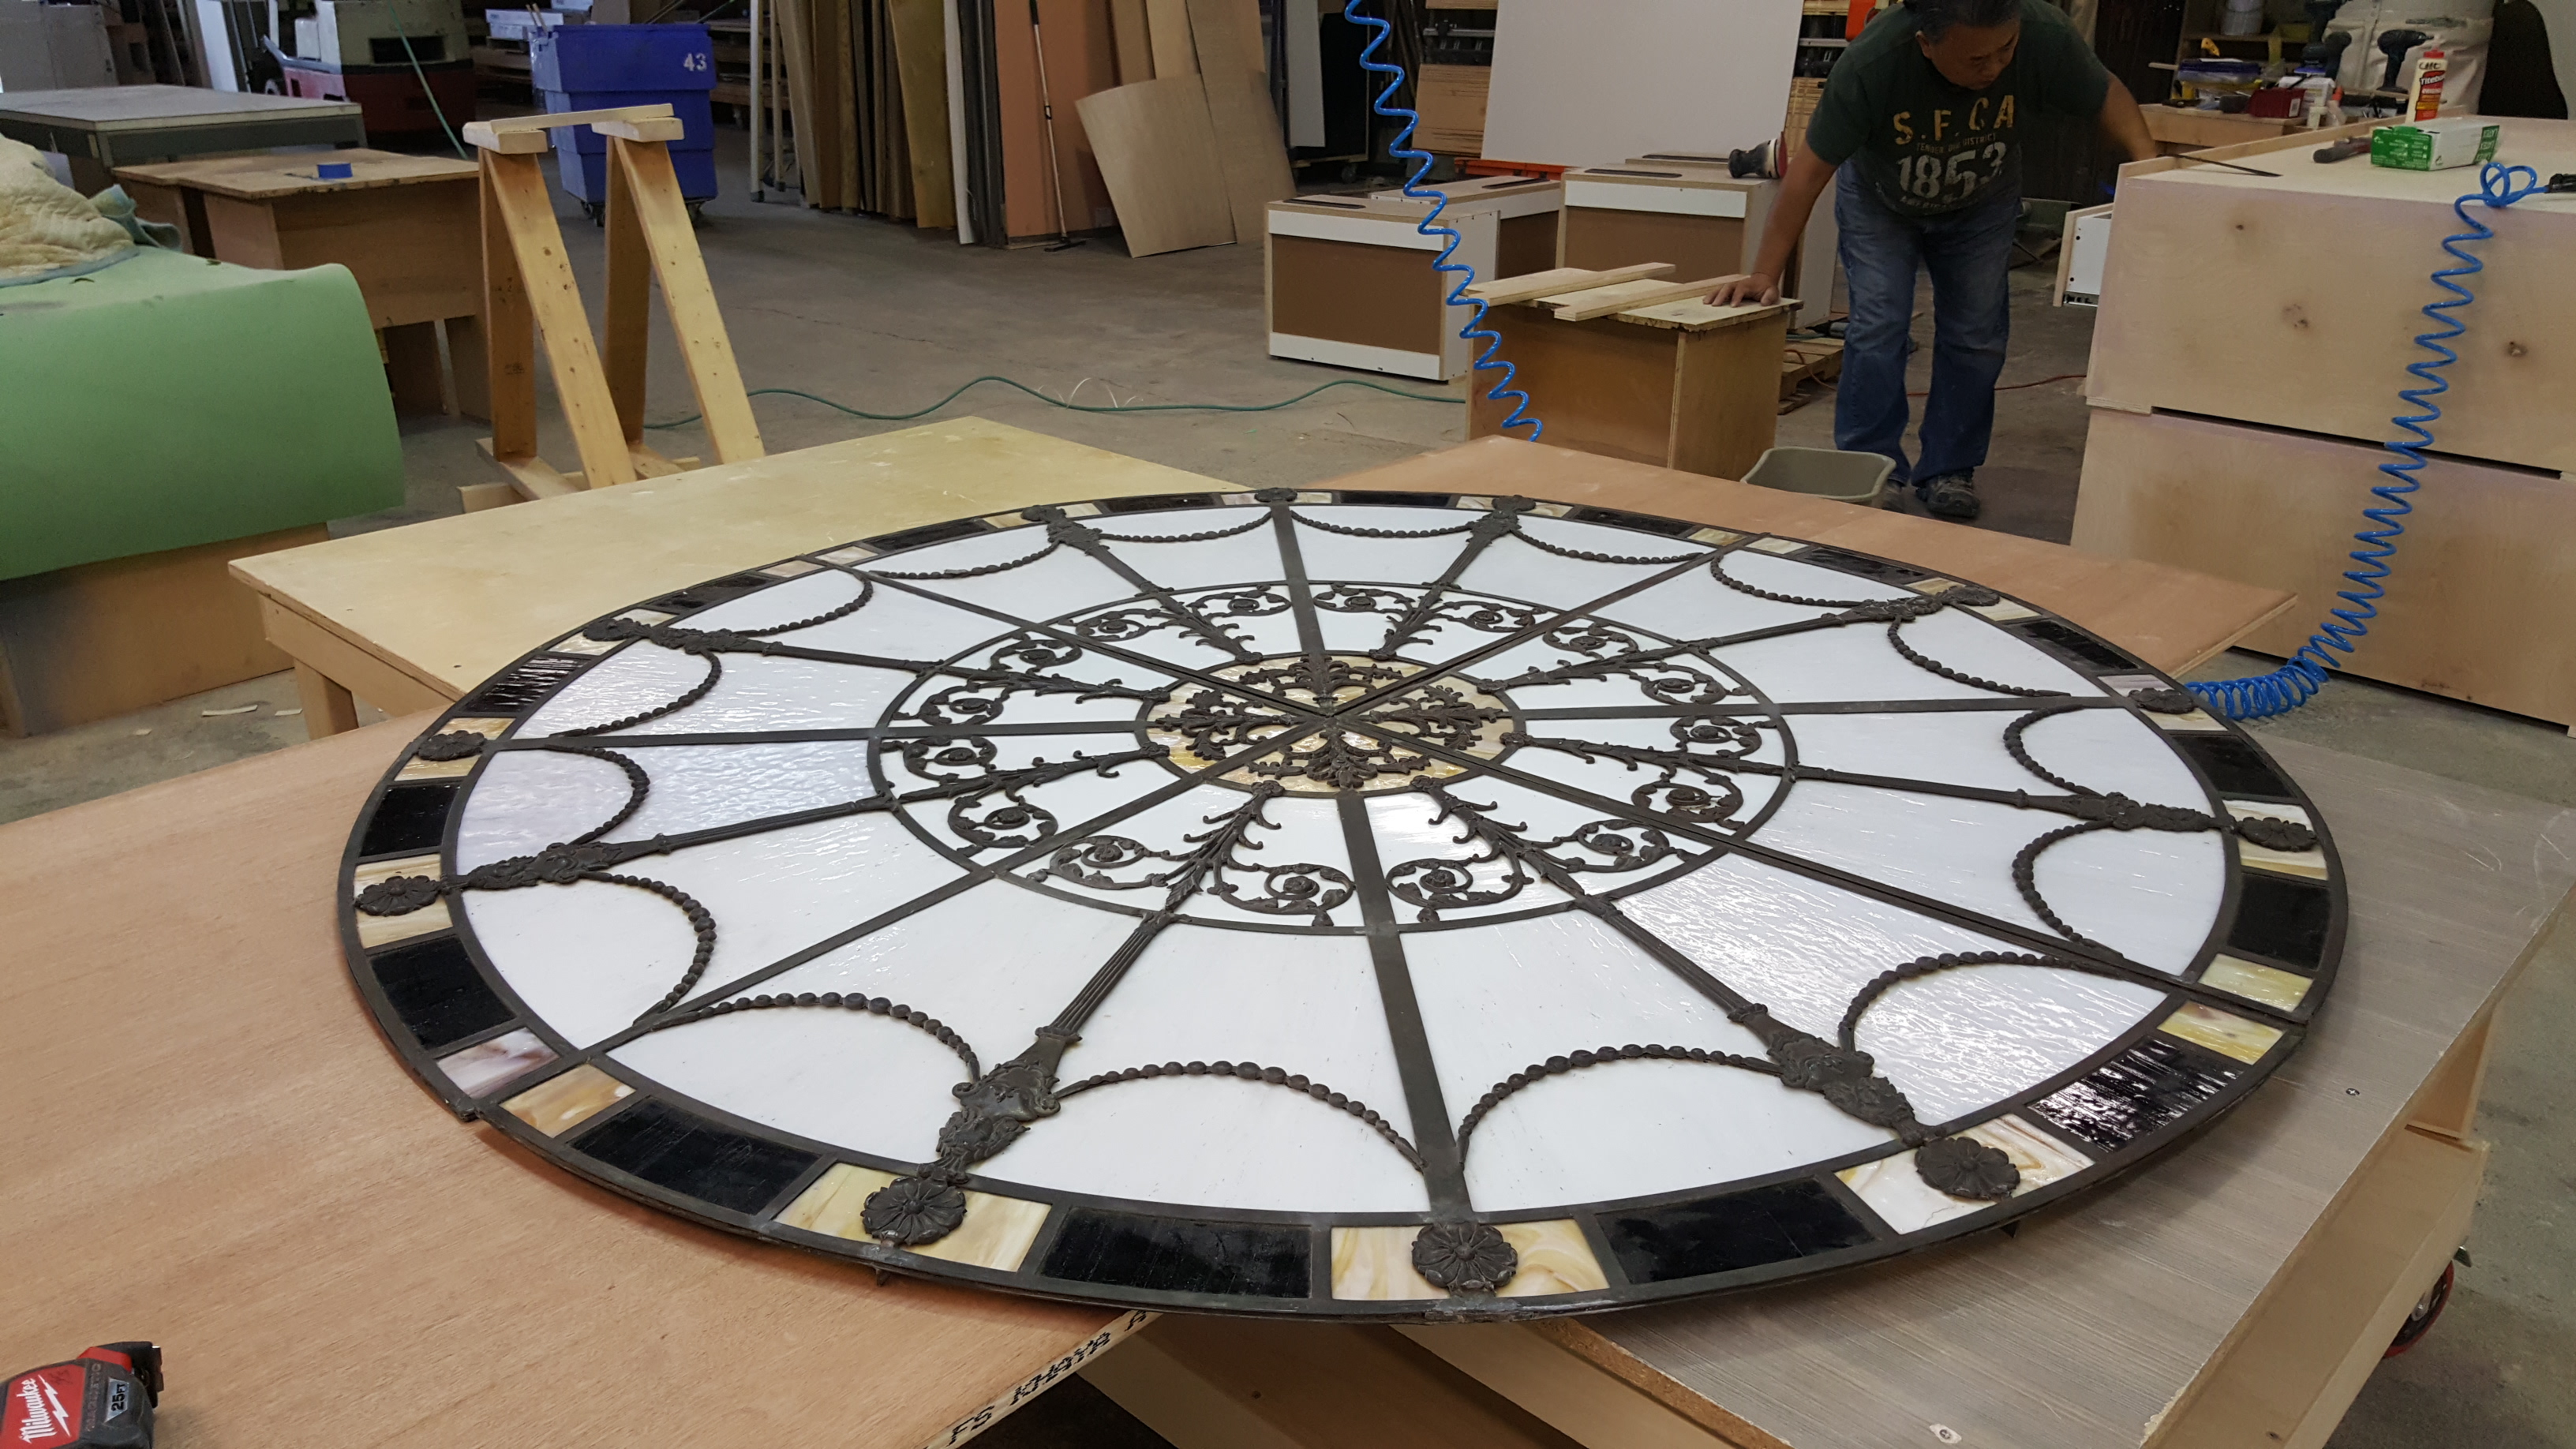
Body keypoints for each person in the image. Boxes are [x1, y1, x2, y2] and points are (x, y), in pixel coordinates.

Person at [1712, 0, 2157, 521]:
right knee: (1879, 326)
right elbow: (1806, 175)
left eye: (2006, 50)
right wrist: (1765, 273)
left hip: (1983, 200)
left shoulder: (2044, 33)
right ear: (1926, 43)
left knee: (1977, 334)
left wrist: (2150, 171)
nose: (1995, 67)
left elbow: (2107, 95)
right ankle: (1869, 467)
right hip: (1881, 202)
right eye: (1976, 60)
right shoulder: (1873, 63)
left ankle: (1950, 468)